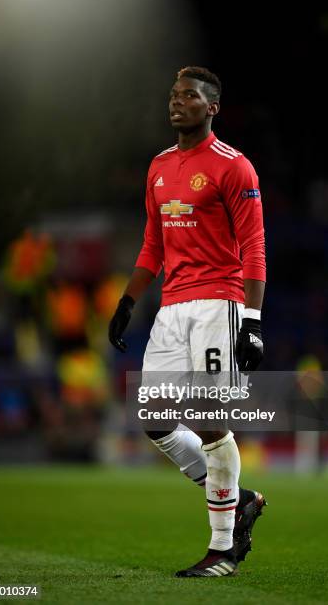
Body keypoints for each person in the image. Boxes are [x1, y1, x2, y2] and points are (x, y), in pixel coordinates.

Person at [109, 66, 267, 577]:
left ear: (212, 106)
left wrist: (253, 321)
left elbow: (254, 246)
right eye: (174, 95)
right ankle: (236, 497)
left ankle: (223, 550)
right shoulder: (157, 167)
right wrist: (128, 302)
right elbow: (153, 243)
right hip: (171, 307)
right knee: (154, 418)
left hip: (217, 304)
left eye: (190, 96)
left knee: (209, 421)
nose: (177, 102)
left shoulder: (233, 166)